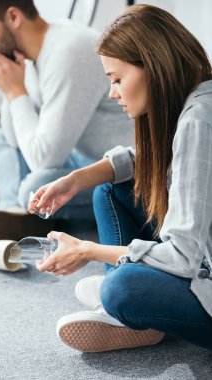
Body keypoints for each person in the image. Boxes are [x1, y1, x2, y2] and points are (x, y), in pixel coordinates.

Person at [28, 4, 212, 353]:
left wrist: (87, 250)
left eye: (116, 79)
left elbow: (184, 257)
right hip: (199, 257)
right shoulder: (196, 100)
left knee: (121, 289)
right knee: (110, 190)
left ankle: (124, 305)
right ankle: (127, 312)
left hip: (202, 271)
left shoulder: (200, 119)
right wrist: (76, 179)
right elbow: (151, 160)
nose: (113, 93)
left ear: (153, 67)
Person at [0, 0, 133, 241]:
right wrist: (9, 84)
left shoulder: (69, 50)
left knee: (39, 182)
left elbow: (45, 159)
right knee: (0, 142)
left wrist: (14, 92)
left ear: (13, 17)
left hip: (116, 171)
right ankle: (16, 208)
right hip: (74, 154)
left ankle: (15, 196)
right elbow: (12, 139)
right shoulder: (31, 52)